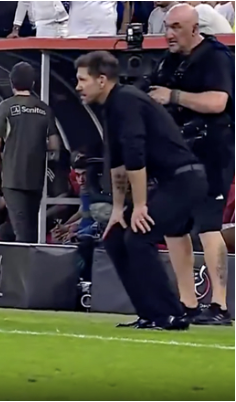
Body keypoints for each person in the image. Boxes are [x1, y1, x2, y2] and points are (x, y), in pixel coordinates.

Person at [76, 50, 207, 330]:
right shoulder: (110, 107)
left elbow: (135, 154)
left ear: (102, 80)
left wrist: (140, 206)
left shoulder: (126, 100)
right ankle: (149, 313)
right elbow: (118, 162)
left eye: (82, 80)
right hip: (170, 182)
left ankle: (170, 315)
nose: (77, 86)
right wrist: (118, 210)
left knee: (138, 237)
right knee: (115, 237)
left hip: (185, 180)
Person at [148, 3, 234, 325]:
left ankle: (220, 306)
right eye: (167, 27)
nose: (169, 34)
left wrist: (173, 97)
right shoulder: (168, 61)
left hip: (213, 152)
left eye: (176, 28)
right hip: (178, 155)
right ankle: (187, 302)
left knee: (208, 226)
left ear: (195, 29)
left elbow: (218, 102)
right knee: (174, 226)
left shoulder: (216, 56)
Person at [0, 62, 62, 244]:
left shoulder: (6, 106)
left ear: (11, 82)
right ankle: (31, 259)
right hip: (35, 178)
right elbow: (54, 145)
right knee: (30, 226)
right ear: (33, 83)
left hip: (12, 178)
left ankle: (25, 262)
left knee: (21, 230)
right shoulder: (44, 108)